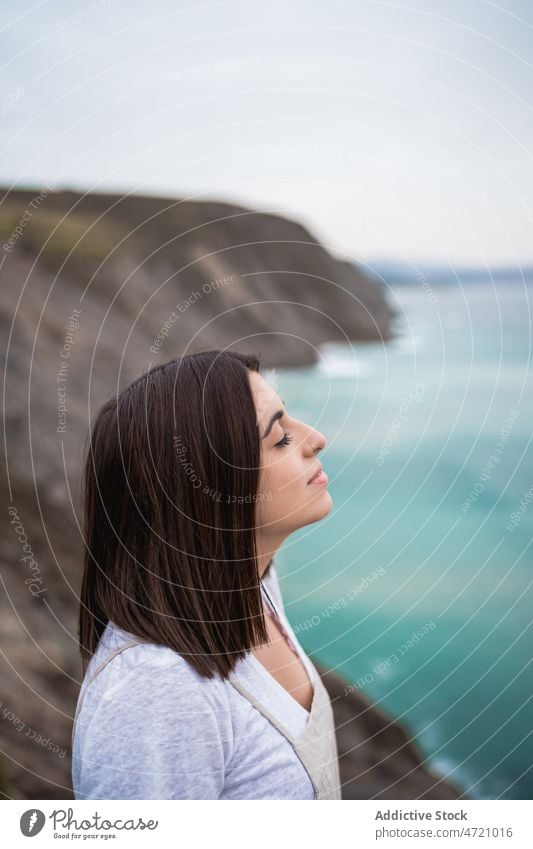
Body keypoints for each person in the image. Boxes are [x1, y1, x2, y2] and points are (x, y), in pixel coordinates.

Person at [71, 349, 342, 799]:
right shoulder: (155, 695)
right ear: (207, 490)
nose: (316, 438)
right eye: (279, 439)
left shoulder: (252, 584)